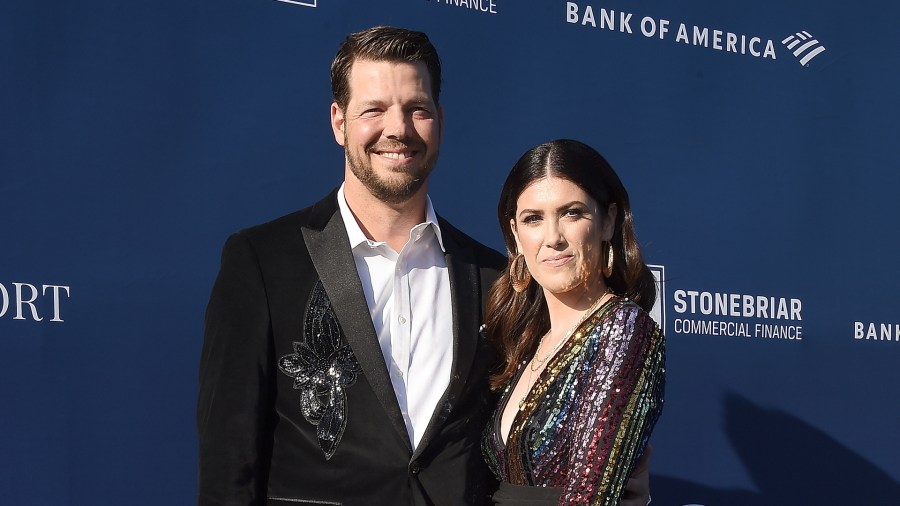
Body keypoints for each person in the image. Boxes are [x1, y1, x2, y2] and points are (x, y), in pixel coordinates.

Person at [198, 26, 651, 505]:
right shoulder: (262, 260)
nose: (398, 129)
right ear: (338, 122)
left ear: (439, 120)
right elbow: (229, 465)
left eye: (417, 109)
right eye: (374, 109)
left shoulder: (496, 280)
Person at [481, 139, 665, 505]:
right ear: (516, 235)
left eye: (572, 213)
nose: (553, 238)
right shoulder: (531, 342)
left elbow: (589, 497)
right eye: (534, 219)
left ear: (608, 221)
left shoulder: (623, 330)